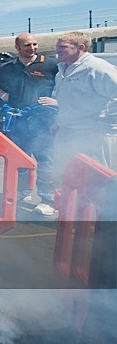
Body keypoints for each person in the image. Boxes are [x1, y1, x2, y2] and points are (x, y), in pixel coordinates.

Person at [45, 32, 117, 215]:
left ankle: (102, 220)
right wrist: (57, 122)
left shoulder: (97, 67)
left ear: (80, 48)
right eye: (57, 47)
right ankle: (75, 214)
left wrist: (103, 125)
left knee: (96, 180)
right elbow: (62, 99)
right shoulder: (62, 69)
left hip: (92, 135)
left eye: (63, 47)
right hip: (67, 132)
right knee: (67, 174)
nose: (57, 51)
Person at [0, 33, 58, 212]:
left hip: (43, 121)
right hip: (18, 121)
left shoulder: (51, 65)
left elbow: (66, 84)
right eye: (27, 45)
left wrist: (58, 101)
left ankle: (47, 200)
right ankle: (22, 191)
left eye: (34, 44)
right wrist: (3, 95)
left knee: (45, 159)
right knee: (20, 159)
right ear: (17, 48)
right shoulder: (9, 67)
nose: (32, 48)